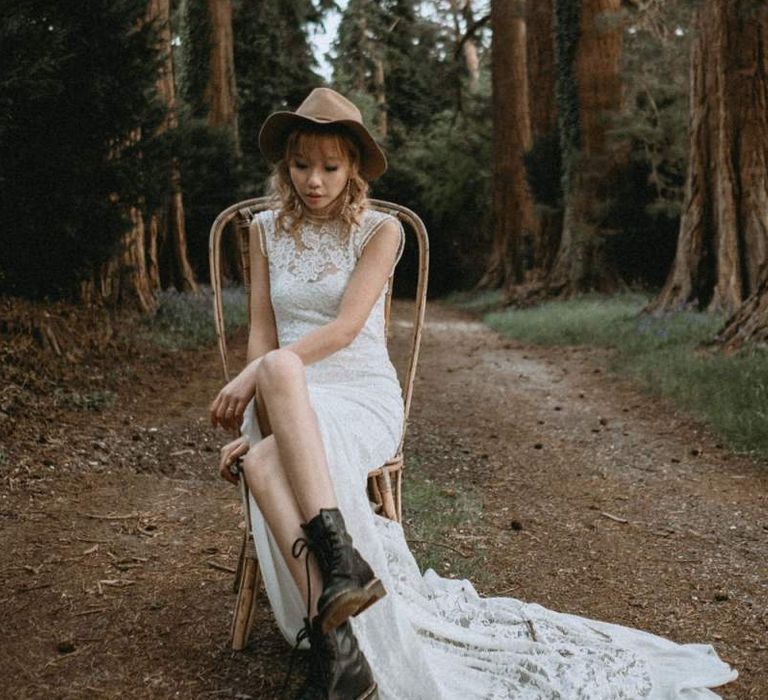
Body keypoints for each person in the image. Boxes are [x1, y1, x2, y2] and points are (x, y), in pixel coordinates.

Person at [210, 88, 737, 699]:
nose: (314, 181)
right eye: (302, 165)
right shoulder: (265, 230)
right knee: (266, 444)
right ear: (285, 164)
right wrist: (257, 420)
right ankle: (341, 635)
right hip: (285, 398)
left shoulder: (380, 230)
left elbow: (346, 329)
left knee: (276, 373)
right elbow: (262, 334)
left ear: (353, 166)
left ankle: (337, 627)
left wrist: (257, 379)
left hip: (356, 395)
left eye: (330, 167)